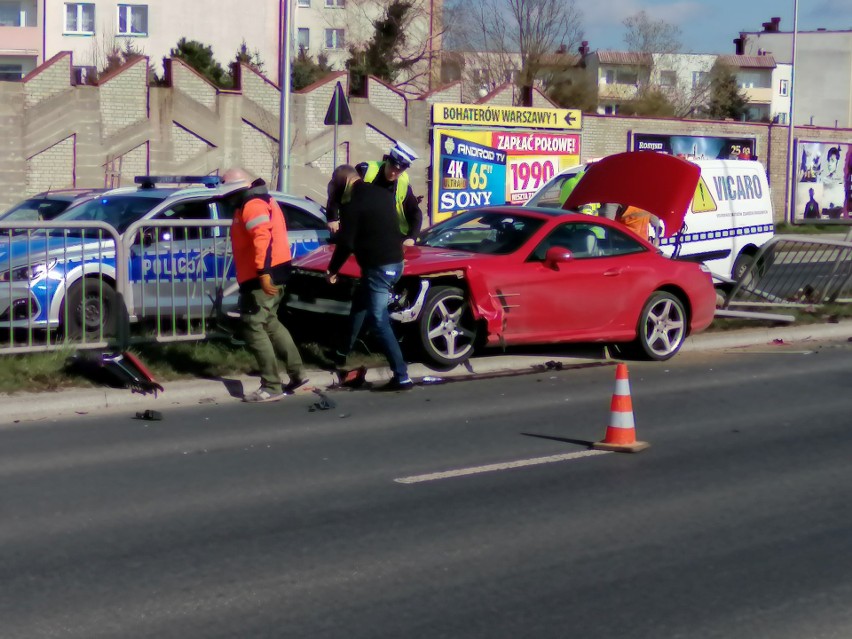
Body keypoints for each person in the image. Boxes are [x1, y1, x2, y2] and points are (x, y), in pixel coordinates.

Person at [325, 165, 413, 392]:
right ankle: (342, 353)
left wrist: (333, 269)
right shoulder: (381, 194)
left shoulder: (354, 204)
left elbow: (346, 243)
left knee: (378, 319)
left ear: (343, 184)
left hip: (379, 268)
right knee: (361, 303)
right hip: (395, 262)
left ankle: (401, 375)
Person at [222, 167, 306, 402]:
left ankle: (271, 385)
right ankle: (297, 373)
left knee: (253, 324)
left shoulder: (252, 204)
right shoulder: (262, 199)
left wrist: (262, 271)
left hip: (261, 275)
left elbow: (262, 238)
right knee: (270, 321)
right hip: (273, 271)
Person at [353, 141, 423, 245]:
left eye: (398, 170)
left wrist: (411, 238)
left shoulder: (403, 184)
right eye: (391, 167)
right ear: (387, 161)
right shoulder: (365, 171)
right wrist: (333, 218)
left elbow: (416, 213)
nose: (393, 172)